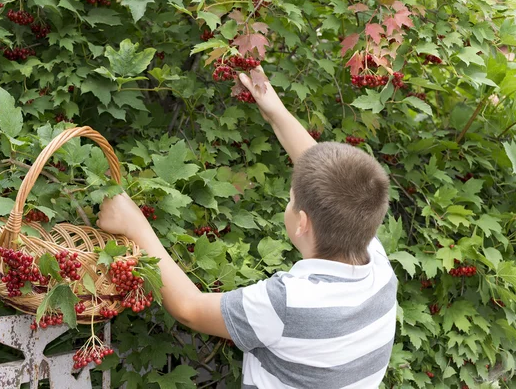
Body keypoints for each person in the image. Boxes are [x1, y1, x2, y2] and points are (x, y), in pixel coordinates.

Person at [97, 68, 397, 389]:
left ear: (303, 222)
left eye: (291, 199)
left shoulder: (286, 303)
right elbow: (327, 176)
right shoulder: (376, 263)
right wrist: (275, 112)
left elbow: (190, 310)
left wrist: (134, 224)